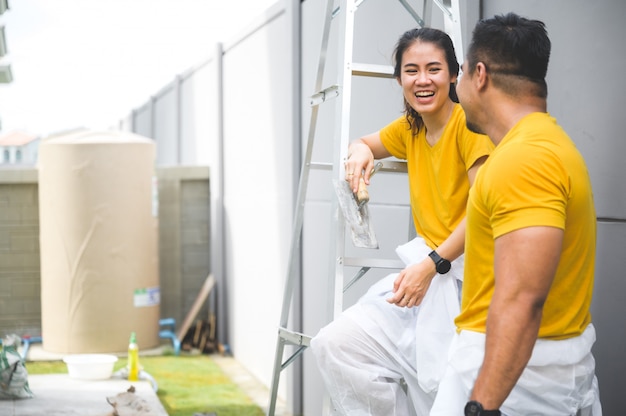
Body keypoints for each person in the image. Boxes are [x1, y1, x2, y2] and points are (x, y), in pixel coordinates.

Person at [310, 27, 494, 415]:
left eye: (433, 69)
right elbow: (365, 141)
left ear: (454, 75)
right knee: (337, 344)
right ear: (399, 79)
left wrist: (432, 265)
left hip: (468, 281)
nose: (422, 80)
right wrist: (360, 151)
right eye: (411, 70)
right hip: (425, 275)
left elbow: (485, 210)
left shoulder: (469, 125)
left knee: (450, 395)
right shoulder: (411, 127)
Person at [430, 12, 602, 416]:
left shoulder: (525, 160)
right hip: (528, 376)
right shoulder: (544, 146)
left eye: (460, 75)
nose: (455, 87)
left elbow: (524, 299)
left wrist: (482, 407)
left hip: (519, 390)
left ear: (480, 75)